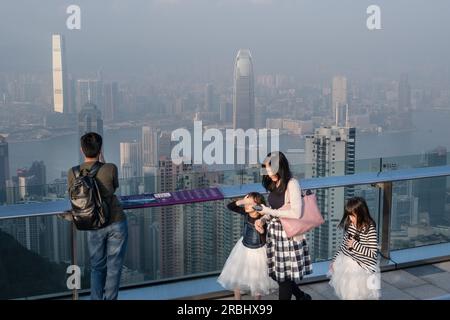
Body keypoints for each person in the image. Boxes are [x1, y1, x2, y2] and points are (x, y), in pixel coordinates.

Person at [67, 132, 128, 300]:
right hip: (116, 221)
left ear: (82, 150)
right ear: (100, 149)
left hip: (93, 224)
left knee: (97, 267)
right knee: (114, 268)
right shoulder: (111, 168)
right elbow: (113, 187)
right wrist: (103, 161)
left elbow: (74, 197)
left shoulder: (72, 173)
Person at [255, 151, 313, 300]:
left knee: (283, 279)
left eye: (271, 169)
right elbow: (276, 209)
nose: (268, 173)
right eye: (266, 170)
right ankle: (301, 296)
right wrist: (263, 219)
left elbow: (296, 213)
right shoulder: (274, 183)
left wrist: (267, 211)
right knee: (277, 274)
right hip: (275, 236)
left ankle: (301, 296)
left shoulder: (292, 184)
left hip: (288, 236)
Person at [217, 192, 278, 300]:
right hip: (243, 248)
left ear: (257, 205)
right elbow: (230, 206)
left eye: (249, 203)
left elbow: (264, 236)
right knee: (237, 276)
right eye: (246, 203)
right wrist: (242, 201)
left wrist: (262, 230)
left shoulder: (263, 217)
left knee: (257, 281)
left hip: (258, 251)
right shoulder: (245, 213)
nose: (246, 205)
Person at [328, 197, 381, 300]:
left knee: (364, 295)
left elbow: (372, 253)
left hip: (364, 269)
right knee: (349, 294)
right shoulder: (351, 225)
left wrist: (355, 245)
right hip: (348, 265)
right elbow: (344, 246)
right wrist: (334, 260)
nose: (350, 219)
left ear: (361, 214)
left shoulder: (369, 229)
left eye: (353, 216)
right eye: (349, 216)